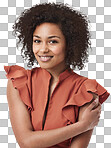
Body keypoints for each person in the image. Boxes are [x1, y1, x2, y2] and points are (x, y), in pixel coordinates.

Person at [4, 3, 110, 148]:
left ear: (70, 44)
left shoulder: (86, 90)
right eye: (37, 41)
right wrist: (82, 125)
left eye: (53, 41)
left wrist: (85, 126)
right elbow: (26, 142)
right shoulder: (19, 82)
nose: (43, 49)